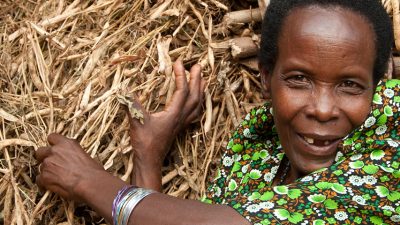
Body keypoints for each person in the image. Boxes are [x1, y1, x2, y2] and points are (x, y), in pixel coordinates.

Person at [35, 0, 399, 224]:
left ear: (378, 82)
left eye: (350, 85)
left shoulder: (391, 145)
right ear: (266, 79)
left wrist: (89, 182)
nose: (322, 109)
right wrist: (148, 157)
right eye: (299, 79)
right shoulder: (255, 146)